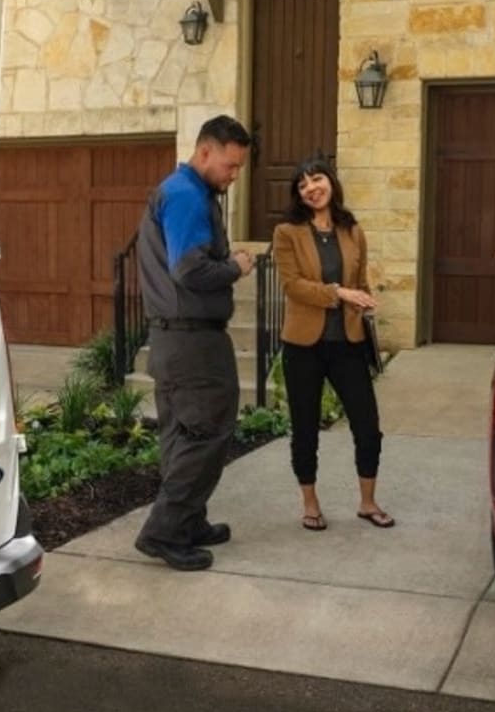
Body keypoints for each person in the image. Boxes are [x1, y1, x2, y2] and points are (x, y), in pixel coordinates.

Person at [132, 115, 255, 571]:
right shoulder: (186, 195)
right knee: (207, 432)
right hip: (191, 343)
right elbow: (191, 271)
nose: (233, 175)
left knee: (182, 433)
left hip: (175, 339)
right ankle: (165, 531)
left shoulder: (185, 191)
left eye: (238, 167)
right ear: (204, 152)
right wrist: (237, 267)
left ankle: (187, 521)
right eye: (229, 165)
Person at [272, 156, 393, 531]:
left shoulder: (351, 228)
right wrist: (340, 293)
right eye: (303, 184)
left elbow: (360, 281)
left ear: (331, 182)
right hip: (303, 346)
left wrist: (366, 300)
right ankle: (310, 504)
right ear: (298, 194)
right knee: (306, 428)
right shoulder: (287, 232)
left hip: (348, 343)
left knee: (368, 426)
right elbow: (293, 286)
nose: (311, 188)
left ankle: (368, 502)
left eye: (316, 179)